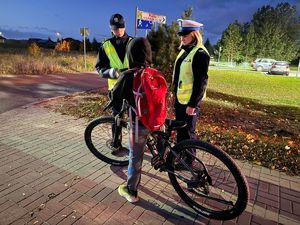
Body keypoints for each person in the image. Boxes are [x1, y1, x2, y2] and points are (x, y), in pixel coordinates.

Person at [107, 37, 153, 203]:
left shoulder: (128, 75)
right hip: (157, 121)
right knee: (159, 147)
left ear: (130, 54)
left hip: (139, 124)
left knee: (135, 157)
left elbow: (115, 99)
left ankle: (131, 191)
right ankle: (164, 156)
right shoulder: (153, 72)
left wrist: (112, 95)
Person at [172, 19, 210, 166]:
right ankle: (181, 156)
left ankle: (189, 161)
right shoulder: (185, 50)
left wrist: (193, 104)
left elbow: (201, 82)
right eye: (181, 34)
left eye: (186, 35)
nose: (182, 37)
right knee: (181, 131)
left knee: (188, 132)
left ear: (194, 34)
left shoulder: (200, 53)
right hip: (180, 100)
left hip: (190, 103)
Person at [95, 13, 132, 151]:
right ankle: (116, 144)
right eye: (116, 28)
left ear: (124, 26)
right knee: (116, 118)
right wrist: (110, 72)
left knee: (135, 119)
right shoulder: (106, 46)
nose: (118, 31)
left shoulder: (133, 43)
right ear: (111, 29)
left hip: (132, 88)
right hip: (115, 89)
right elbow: (99, 68)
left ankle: (137, 145)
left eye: (121, 27)